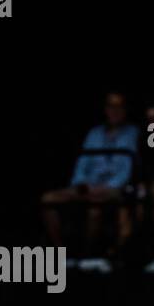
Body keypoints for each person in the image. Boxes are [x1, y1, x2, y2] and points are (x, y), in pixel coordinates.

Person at [40, 91, 137, 272]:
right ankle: (62, 253)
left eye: (119, 106)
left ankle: (89, 254)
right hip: (87, 185)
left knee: (95, 205)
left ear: (125, 109)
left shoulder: (134, 133)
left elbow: (126, 170)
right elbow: (82, 162)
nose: (114, 111)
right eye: (110, 106)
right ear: (105, 109)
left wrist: (105, 188)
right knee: (48, 199)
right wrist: (81, 184)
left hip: (114, 188)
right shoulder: (94, 133)